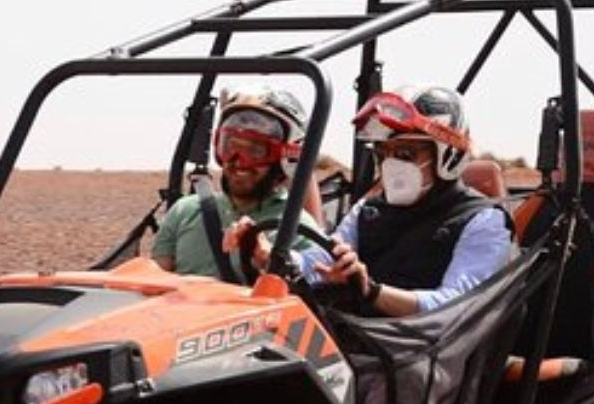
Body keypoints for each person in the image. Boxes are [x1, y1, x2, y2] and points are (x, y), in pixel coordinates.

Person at [229, 85, 513, 315]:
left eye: (405, 154)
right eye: (383, 154)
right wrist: (268, 254)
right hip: (363, 342)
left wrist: (372, 291)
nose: (391, 165)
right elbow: (320, 262)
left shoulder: (483, 220)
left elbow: (456, 306)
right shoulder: (369, 210)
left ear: (448, 154)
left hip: (426, 360)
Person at [152, 86, 320, 281]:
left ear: (284, 158)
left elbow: (305, 297)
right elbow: (153, 283)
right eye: (230, 147)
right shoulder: (184, 211)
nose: (239, 161)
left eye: (256, 151)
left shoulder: (298, 226)